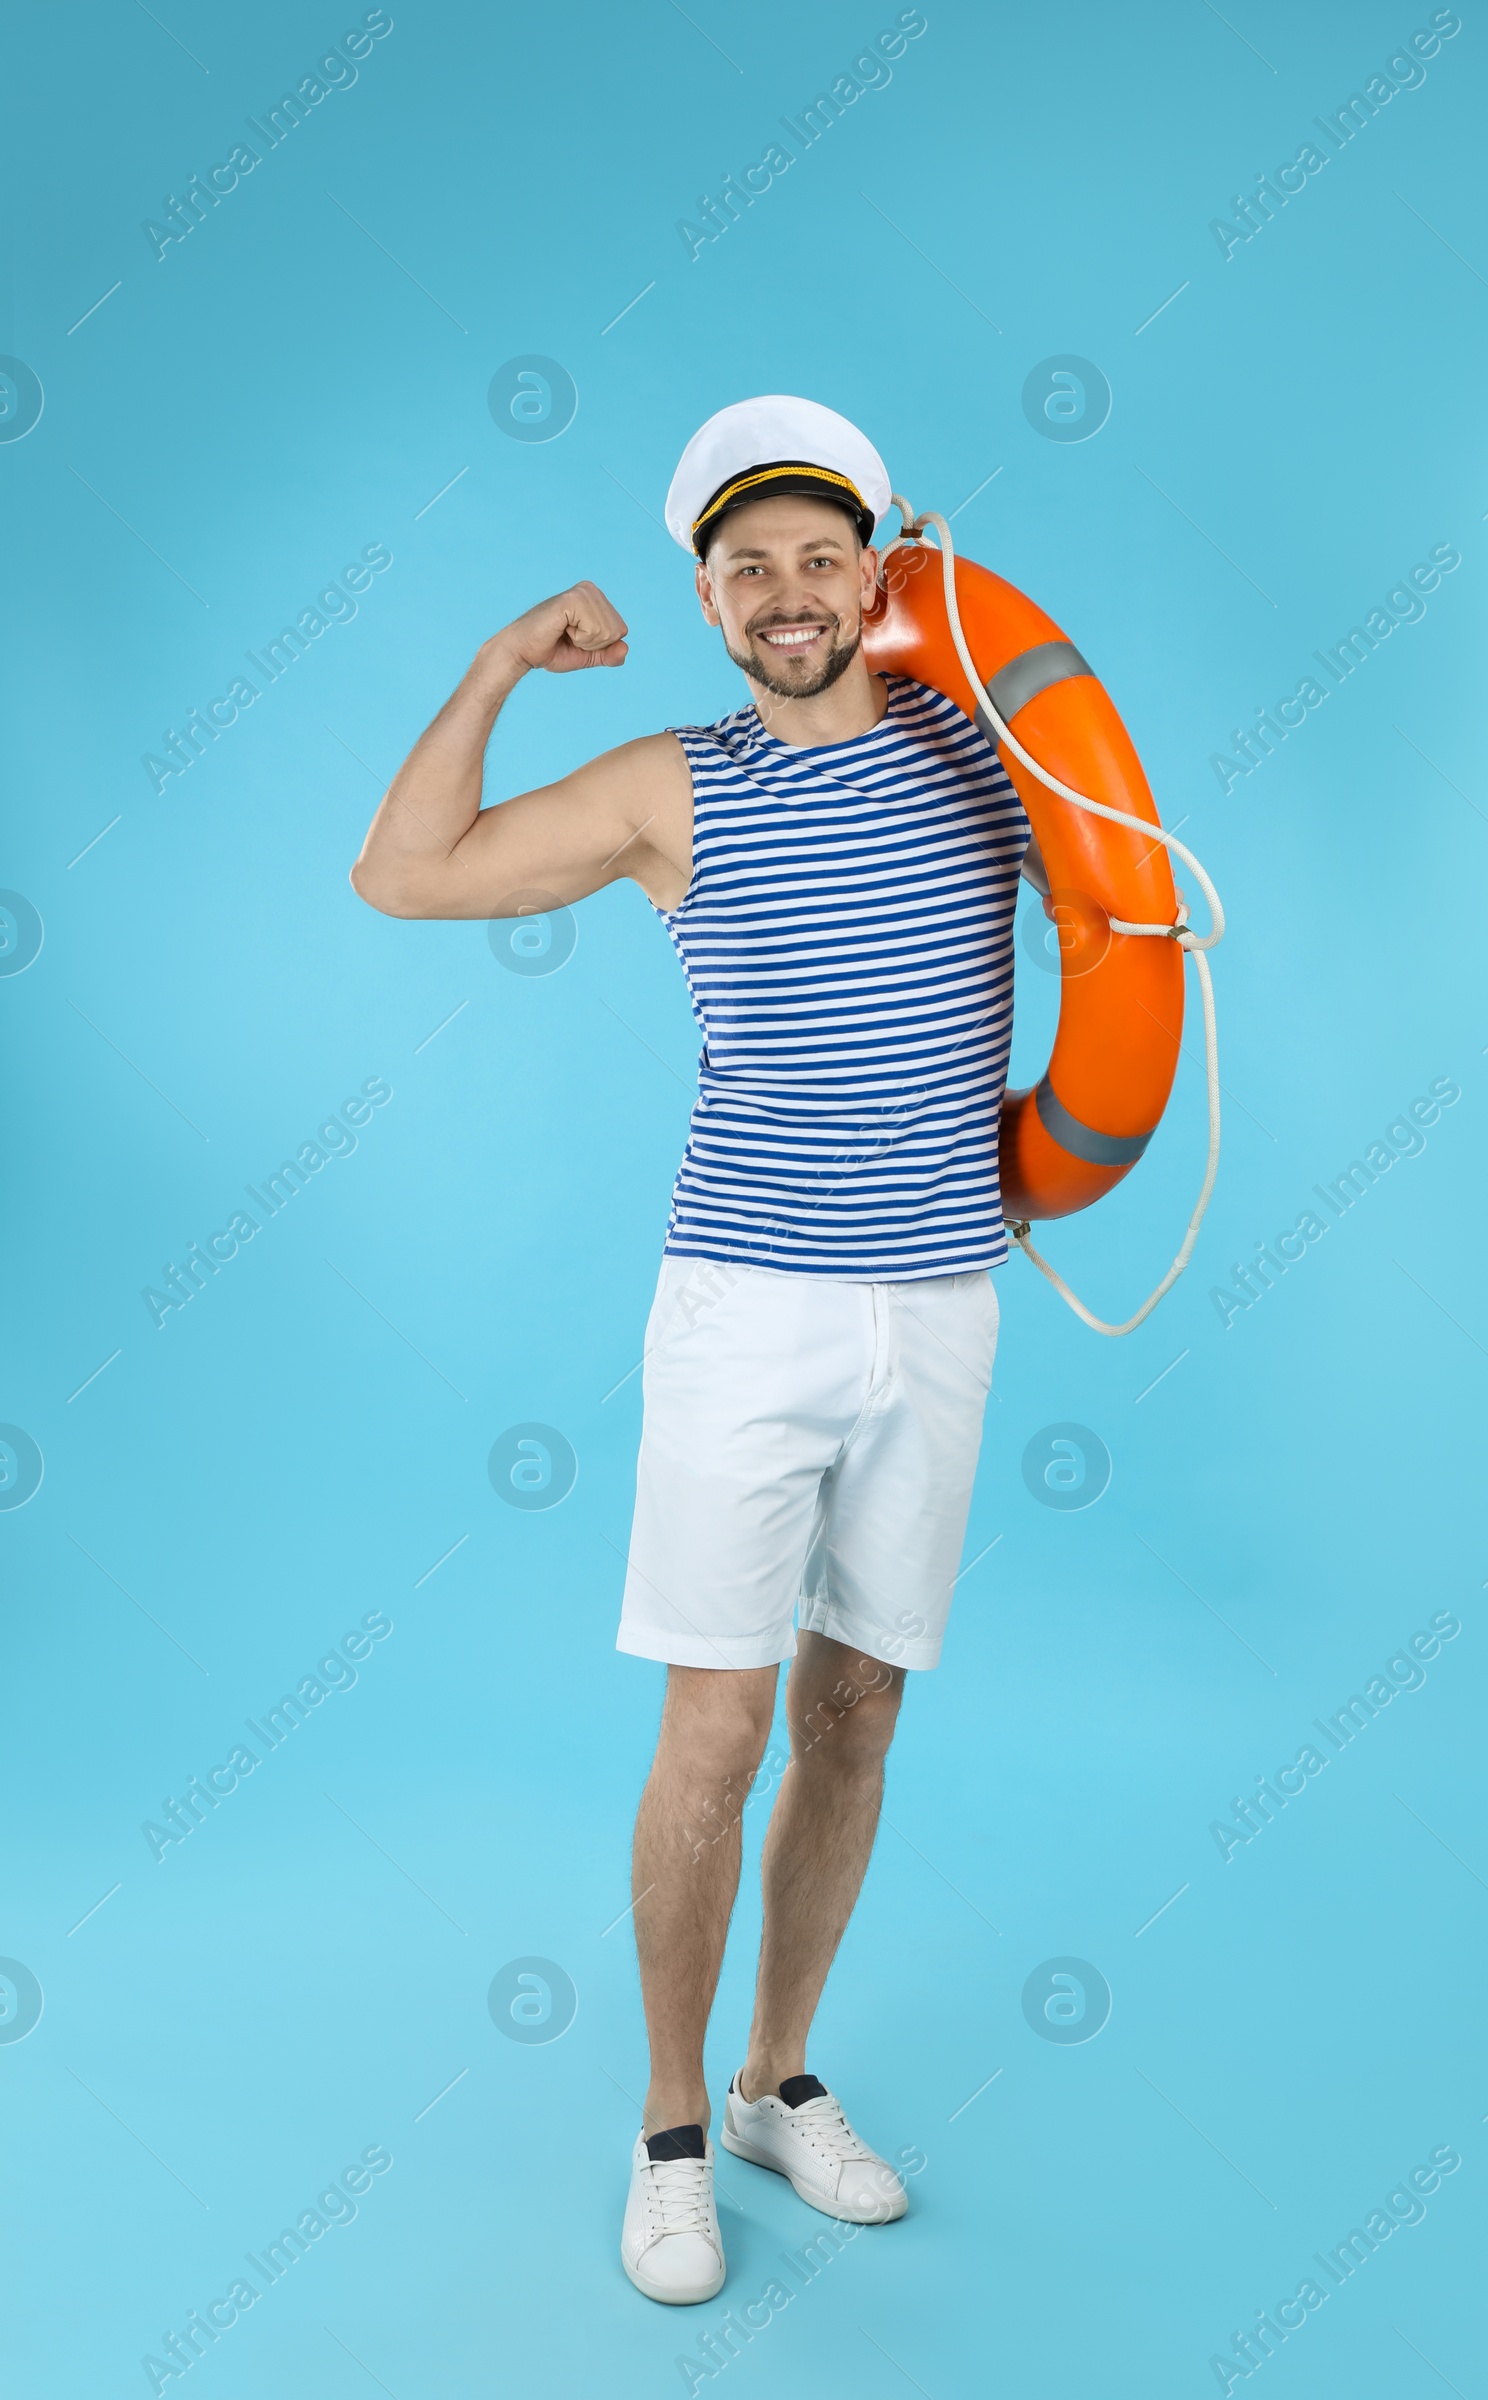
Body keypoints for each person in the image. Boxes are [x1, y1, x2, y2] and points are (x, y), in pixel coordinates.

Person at [350, 396, 1038, 2305]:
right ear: (711, 599)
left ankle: (776, 2080)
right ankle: (666, 2132)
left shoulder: (988, 757)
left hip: (942, 1305)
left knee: (859, 1713)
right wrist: (500, 661)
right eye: (748, 567)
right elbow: (403, 874)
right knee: (718, 1732)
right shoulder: (675, 782)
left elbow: (1139, 905)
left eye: (824, 557)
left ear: (879, 574)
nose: (788, 592)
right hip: (747, 1311)